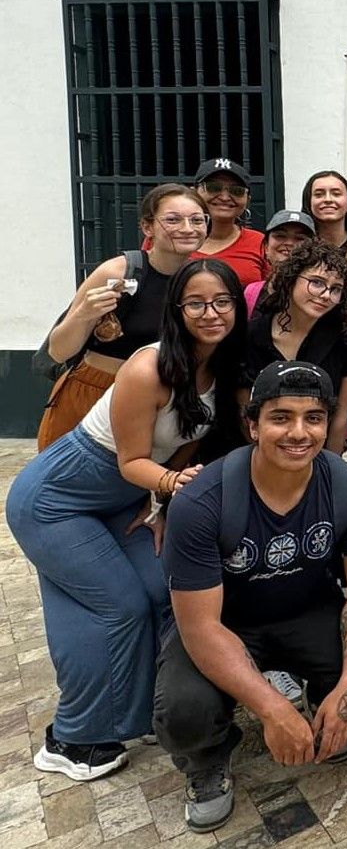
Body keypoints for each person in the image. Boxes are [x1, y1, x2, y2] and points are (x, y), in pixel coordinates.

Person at [7, 259, 245, 782]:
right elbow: (132, 461)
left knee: (162, 588)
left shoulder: (222, 368)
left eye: (222, 302)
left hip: (120, 502)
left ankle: (147, 712)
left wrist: (158, 505)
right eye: (196, 303)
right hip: (56, 500)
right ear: (176, 310)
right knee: (119, 605)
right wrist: (170, 486)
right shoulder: (148, 366)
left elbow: (186, 446)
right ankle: (75, 737)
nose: (211, 313)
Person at [155, 362, 347, 833]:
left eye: (313, 418)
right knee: (183, 713)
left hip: (306, 610)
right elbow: (200, 627)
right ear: (252, 425)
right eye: (280, 417)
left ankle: (324, 706)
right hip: (225, 623)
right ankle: (208, 760)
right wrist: (273, 709)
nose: (298, 432)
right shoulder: (201, 502)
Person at [36, 183, 208, 450]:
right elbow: (58, 351)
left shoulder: (199, 278)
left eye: (197, 220)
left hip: (158, 399)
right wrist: (84, 314)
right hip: (94, 392)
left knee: (137, 475)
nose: (188, 228)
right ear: (148, 227)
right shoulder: (118, 272)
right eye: (173, 220)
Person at [247, 240, 347, 454]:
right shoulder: (252, 334)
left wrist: (330, 466)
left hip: (316, 450)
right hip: (257, 452)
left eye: (336, 289)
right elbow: (244, 410)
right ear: (291, 279)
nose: (326, 295)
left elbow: (340, 416)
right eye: (317, 282)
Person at [185, 158, 268, 287]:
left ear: (248, 199)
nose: (224, 197)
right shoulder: (170, 237)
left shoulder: (261, 243)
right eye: (213, 188)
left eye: (237, 191)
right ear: (194, 193)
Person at [243, 209, 315, 314]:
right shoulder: (250, 294)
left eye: (300, 238)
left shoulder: (321, 296)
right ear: (266, 247)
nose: (289, 243)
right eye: (280, 236)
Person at [302, 170, 347, 259]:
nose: (328, 199)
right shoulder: (300, 248)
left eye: (336, 194)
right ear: (309, 203)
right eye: (319, 194)